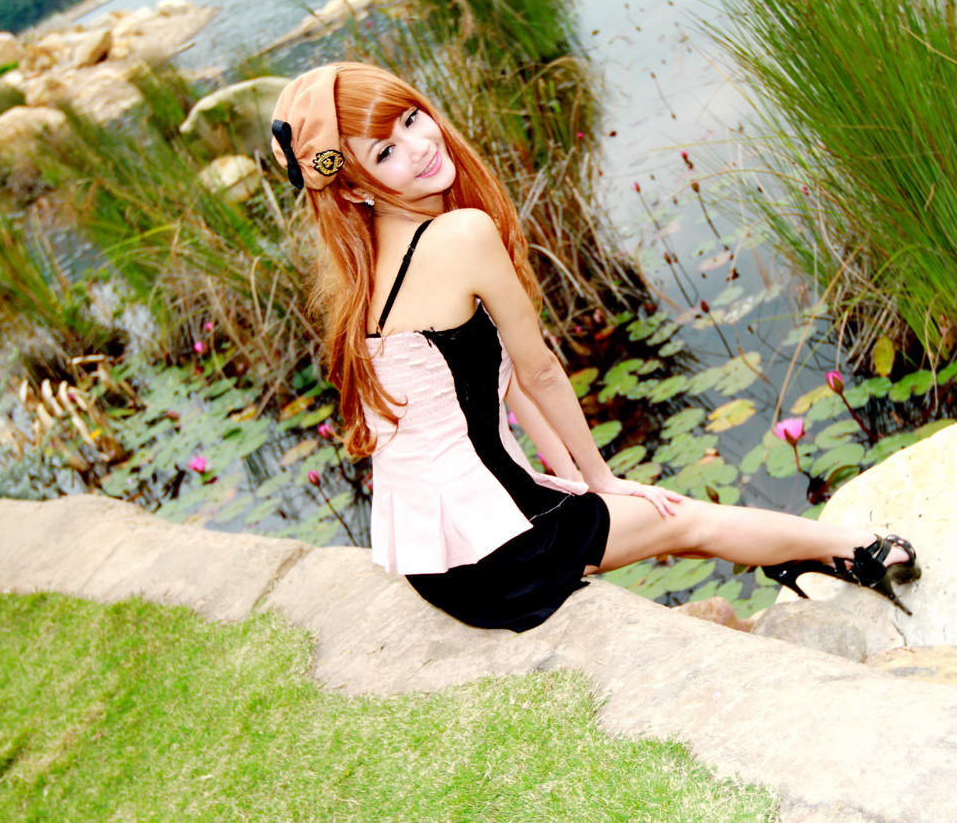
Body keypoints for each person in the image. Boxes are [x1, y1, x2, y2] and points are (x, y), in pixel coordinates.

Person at [269, 62, 919, 632]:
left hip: (441, 567)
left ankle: (803, 557)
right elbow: (540, 373)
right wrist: (603, 481)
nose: (419, 145)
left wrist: (581, 486)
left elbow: (498, 381)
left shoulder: (362, 277)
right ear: (353, 187)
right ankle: (861, 551)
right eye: (385, 150)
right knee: (686, 518)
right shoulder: (460, 234)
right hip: (500, 557)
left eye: (412, 118)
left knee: (651, 520)